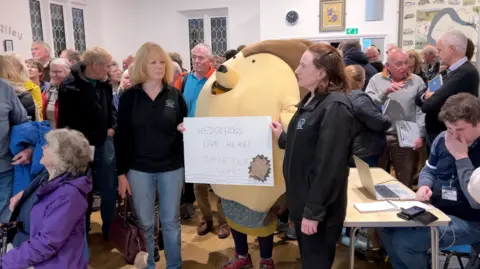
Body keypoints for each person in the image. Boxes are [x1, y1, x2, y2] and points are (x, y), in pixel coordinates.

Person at [270, 43, 356, 269]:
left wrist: (314, 212)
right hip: (303, 202)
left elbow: (330, 164)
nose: (297, 70)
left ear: (321, 72)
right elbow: (307, 143)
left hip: (319, 210)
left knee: (316, 263)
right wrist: (282, 137)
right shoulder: (311, 100)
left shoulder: (335, 106)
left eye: (303, 65)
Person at [378, 93, 480, 269]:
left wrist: (461, 157)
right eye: (449, 129)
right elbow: (429, 170)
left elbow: (475, 200)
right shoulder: (442, 139)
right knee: (385, 227)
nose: (454, 135)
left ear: (477, 122)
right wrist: (424, 185)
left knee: (405, 243)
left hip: (470, 221)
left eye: (460, 129)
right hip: (435, 210)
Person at [115, 42, 187, 269]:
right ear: (142, 66)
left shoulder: (174, 95)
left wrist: (185, 128)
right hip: (138, 168)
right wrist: (121, 174)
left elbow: (184, 125)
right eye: (152, 62)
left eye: (162, 62)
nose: (158, 67)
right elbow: (122, 137)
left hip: (171, 167)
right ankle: (148, 265)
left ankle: (174, 265)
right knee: (145, 223)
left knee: (171, 222)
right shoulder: (129, 97)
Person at [1, 128, 92, 268]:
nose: (43, 147)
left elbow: (46, 243)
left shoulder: (69, 196)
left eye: (48, 145)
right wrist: (24, 195)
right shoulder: (47, 177)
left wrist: (6, 262)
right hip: (28, 253)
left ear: (60, 156)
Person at [57, 47, 117, 238]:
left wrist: (112, 127)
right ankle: (82, 231)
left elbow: (111, 110)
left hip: (104, 142)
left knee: (109, 187)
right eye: (105, 67)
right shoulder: (69, 86)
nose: (108, 70)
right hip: (80, 147)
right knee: (81, 189)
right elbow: (64, 120)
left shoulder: (104, 84)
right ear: (94, 65)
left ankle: (110, 228)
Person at [366, 49, 426, 187]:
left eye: (406, 63)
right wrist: (385, 92)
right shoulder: (376, 80)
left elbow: (421, 111)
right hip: (379, 135)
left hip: (405, 137)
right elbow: (367, 105)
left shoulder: (417, 81)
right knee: (376, 177)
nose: (404, 67)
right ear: (388, 66)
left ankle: (404, 205)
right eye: (399, 64)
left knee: (405, 178)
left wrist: (420, 135)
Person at [416, 30, 480, 149]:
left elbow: (429, 106)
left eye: (439, 50)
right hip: (439, 134)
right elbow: (419, 97)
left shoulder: (464, 73)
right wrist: (425, 96)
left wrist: (428, 98)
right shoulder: (449, 72)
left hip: (449, 136)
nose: (437, 55)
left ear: (451, 49)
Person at [346, 65, 391, 167]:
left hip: (349, 147)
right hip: (363, 150)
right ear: (359, 80)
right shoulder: (358, 97)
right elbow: (378, 122)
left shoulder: (340, 94)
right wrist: (387, 119)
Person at [0, 79, 29, 223]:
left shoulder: (5, 88)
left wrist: (29, 149)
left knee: (4, 225)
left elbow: (23, 124)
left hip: (3, 170)